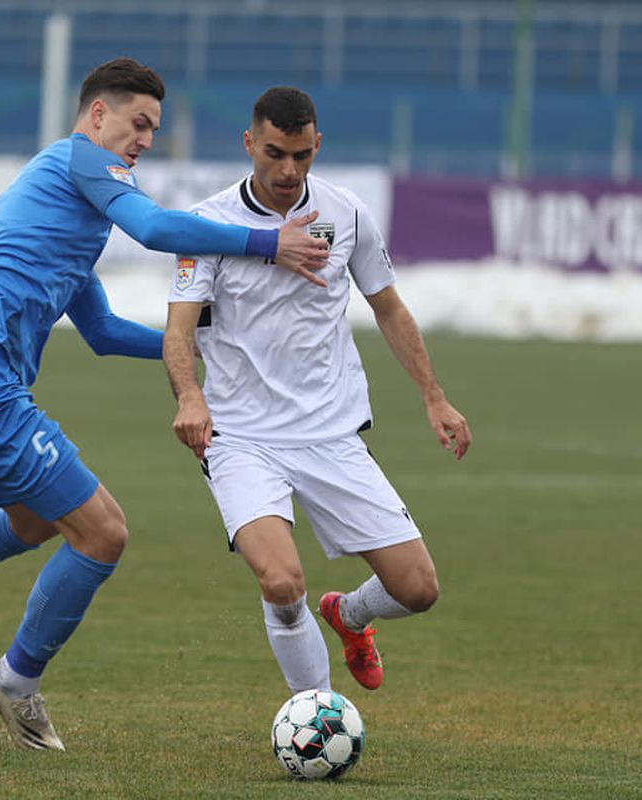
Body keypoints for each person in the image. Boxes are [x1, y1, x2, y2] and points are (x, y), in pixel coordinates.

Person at [0, 59, 330, 752]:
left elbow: (99, 333)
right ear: (98, 115)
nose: (145, 141)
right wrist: (266, 243)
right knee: (103, 533)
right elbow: (156, 230)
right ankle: (14, 682)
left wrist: (201, 344)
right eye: (139, 123)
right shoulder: (81, 162)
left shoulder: (66, 209)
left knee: (31, 519)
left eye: (154, 130)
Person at [163, 87, 471, 696]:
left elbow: (389, 308)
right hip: (240, 438)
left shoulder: (347, 212)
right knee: (281, 582)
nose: (289, 170)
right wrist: (189, 397)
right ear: (249, 143)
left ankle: (349, 615)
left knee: (418, 589)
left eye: (302, 155)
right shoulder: (206, 225)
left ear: (317, 145)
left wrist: (434, 396)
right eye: (275, 153)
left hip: (331, 433)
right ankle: (318, 714)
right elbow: (177, 330)